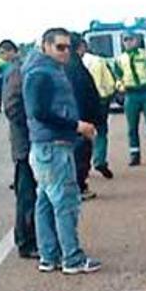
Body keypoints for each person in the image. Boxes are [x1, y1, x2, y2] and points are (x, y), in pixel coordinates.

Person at [22, 27, 100, 274]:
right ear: (46, 46)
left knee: (45, 201)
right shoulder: (41, 74)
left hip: (48, 146)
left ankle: (49, 256)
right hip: (53, 147)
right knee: (65, 202)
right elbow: (40, 112)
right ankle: (72, 259)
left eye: (67, 47)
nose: (65, 52)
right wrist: (77, 125)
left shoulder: (47, 70)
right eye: (60, 47)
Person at [1, 39, 37, 259]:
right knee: (26, 195)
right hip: (25, 144)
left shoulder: (18, 69)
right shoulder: (17, 72)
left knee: (29, 193)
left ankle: (29, 238)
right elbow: (12, 107)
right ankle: (25, 241)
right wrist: (32, 125)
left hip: (26, 142)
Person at [115, 33, 146, 165]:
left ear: (136, 40)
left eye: (131, 39)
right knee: (132, 127)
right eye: (125, 40)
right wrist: (120, 86)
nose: (128, 42)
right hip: (131, 95)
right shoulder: (120, 59)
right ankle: (134, 155)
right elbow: (118, 78)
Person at [66, 33, 102, 201]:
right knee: (81, 154)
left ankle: (79, 184)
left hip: (79, 118)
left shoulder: (72, 65)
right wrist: (85, 121)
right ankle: (79, 186)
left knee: (80, 154)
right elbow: (81, 94)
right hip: (81, 120)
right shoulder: (74, 67)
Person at [82, 41, 117, 179]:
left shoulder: (69, 64)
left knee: (83, 135)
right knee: (101, 131)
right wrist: (109, 95)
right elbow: (109, 82)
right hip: (100, 101)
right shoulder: (98, 61)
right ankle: (99, 160)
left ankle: (84, 166)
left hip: (82, 102)